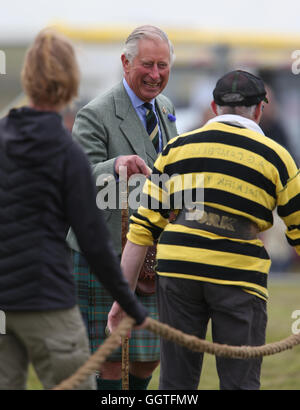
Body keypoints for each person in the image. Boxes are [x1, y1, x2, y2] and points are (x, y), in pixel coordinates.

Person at [108, 70, 300, 390]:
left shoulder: (177, 148)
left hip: (177, 273)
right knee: (239, 381)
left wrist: (122, 300)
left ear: (214, 106)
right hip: (237, 278)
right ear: (259, 110)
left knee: (176, 383)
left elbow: (142, 229)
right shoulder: (277, 158)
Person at [0, 29, 148, 390]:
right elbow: (93, 239)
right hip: (46, 300)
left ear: (28, 78)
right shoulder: (67, 154)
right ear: (69, 82)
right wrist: (129, 301)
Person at [66, 25, 178, 390]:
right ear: (125, 62)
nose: (155, 74)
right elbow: (76, 181)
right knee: (111, 359)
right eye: (147, 64)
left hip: (152, 254)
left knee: (148, 357)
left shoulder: (165, 107)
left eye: (163, 65)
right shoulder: (95, 114)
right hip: (105, 253)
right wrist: (111, 166)